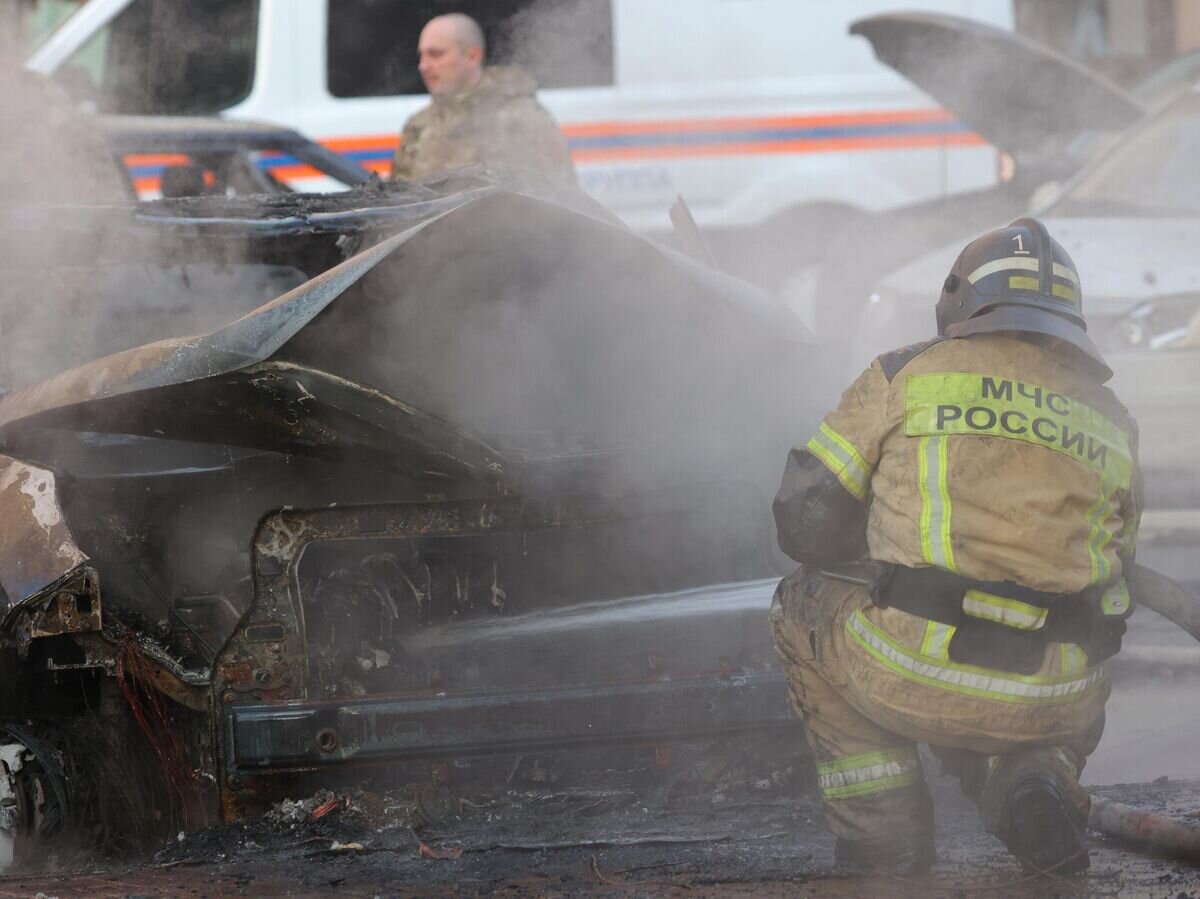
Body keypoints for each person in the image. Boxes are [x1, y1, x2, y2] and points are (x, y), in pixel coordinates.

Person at [770, 218, 1142, 875]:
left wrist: (883, 538)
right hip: (1060, 694)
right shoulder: (1114, 418)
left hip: (916, 671)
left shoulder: (903, 373)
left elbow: (806, 523)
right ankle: (1034, 776)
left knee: (800, 604)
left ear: (959, 299)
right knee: (1034, 674)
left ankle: (885, 831)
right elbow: (1120, 570)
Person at [390, 13, 576, 185]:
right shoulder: (418, 127)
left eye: (436, 54)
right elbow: (398, 201)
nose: (423, 66)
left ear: (472, 56)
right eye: (421, 56)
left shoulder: (522, 119)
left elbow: (562, 197)